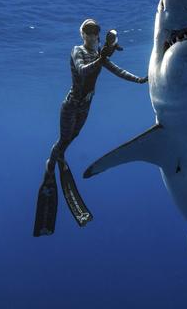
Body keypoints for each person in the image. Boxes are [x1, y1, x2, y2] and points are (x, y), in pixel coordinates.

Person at [33, 18, 147, 236]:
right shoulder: (77, 51)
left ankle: (58, 157)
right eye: (88, 31)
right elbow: (83, 70)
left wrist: (140, 80)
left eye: (95, 32)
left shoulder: (99, 55)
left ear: (97, 35)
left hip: (85, 107)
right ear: (82, 34)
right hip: (71, 106)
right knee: (64, 140)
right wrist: (102, 57)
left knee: (69, 140)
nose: (91, 35)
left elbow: (118, 70)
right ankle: (50, 166)